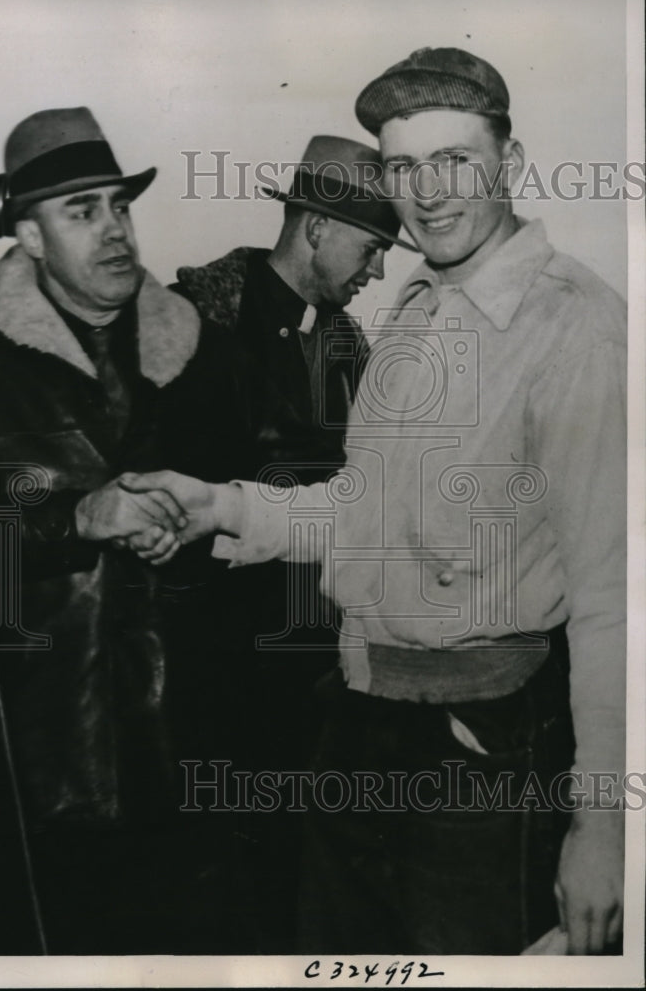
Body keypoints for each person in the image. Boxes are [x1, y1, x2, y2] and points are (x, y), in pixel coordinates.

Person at [121, 48, 626, 955]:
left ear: (507, 166)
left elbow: (612, 602)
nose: (425, 193)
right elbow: (362, 511)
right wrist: (219, 507)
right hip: (357, 724)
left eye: (452, 163)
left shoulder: (578, 328)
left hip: (484, 745)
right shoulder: (415, 314)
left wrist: (605, 825)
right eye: (401, 168)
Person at [0, 107, 252, 954]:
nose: (115, 232)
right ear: (27, 238)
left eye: (120, 206)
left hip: (195, 750)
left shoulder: (206, 356)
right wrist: (77, 517)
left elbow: (274, 492)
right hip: (34, 764)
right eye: (82, 211)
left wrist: (190, 526)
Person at [168, 135, 413, 950]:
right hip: (208, 669)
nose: (376, 272)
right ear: (314, 226)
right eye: (371, 247)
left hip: (319, 672)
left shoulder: (356, 355)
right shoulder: (188, 323)